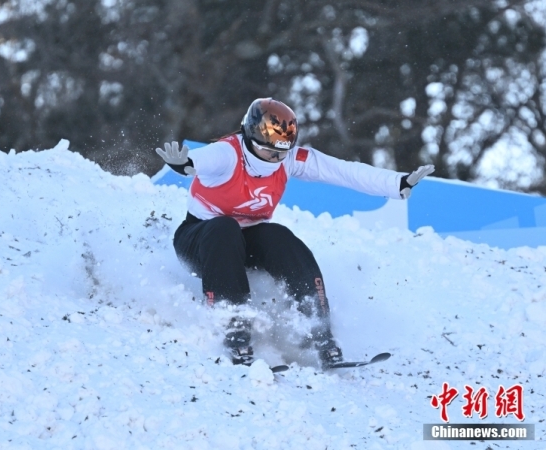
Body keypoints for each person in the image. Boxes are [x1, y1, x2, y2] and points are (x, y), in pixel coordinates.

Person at [155, 98, 434, 370]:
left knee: (281, 237)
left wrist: (396, 183)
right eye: (270, 152)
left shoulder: (289, 159)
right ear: (249, 139)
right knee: (224, 227)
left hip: (246, 241)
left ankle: (321, 336)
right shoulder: (229, 153)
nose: (276, 160)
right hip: (202, 239)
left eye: (282, 153)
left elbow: (343, 172)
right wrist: (185, 164)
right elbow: (201, 161)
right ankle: (235, 332)